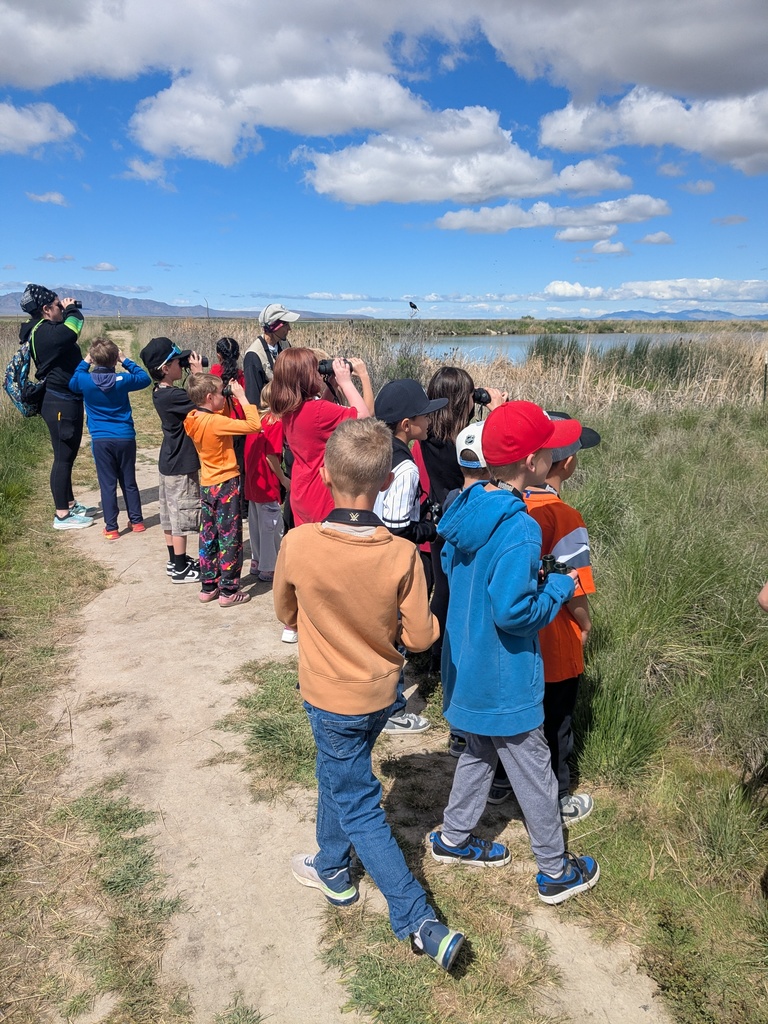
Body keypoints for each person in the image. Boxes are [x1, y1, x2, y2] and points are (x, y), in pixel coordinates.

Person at [273, 417, 465, 971]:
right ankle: (333, 865)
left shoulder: (300, 542)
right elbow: (423, 636)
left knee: (356, 799)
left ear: (324, 472)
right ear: (385, 484)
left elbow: (285, 611)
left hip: (327, 693)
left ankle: (416, 918)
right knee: (341, 768)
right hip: (380, 697)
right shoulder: (401, 555)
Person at [430, 401, 601, 906]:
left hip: (468, 663)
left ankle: (452, 837)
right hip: (505, 673)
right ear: (532, 462)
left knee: (480, 752)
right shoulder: (520, 527)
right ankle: (554, 870)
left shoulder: (466, 507)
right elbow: (513, 613)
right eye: (549, 448)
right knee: (534, 769)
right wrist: (557, 588)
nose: (555, 453)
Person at [489, 413, 601, 824]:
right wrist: (585, 623)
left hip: (513, 639)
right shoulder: (565, 516)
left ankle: (501, 783)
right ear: (567, 463)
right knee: (556, 723)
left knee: (517, 717)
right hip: (554, 638)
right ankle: (556, 797)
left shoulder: (507, 507)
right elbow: (575, 586)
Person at [417, 367, 506, 753]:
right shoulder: (467, 442)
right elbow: (500, 457)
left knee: (441, 593)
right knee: (462, 598)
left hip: (440, 524)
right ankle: (455, 662)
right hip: (471, 524)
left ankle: (434, 657)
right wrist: (497, 409)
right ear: (463, 400)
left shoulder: (429, 438)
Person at [372, 379, 448, 734]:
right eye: (424, 416)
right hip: (393, 561)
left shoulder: (377, 450)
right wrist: (433, 529)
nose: (429, 421)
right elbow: (399, 528)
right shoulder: (406, 468)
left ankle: (377, 700)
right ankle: (393, 710)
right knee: (396, 635)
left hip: (369, 553)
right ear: (407, 425)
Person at [270, 348, 373, 526]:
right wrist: (355, 379)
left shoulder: (289, 408)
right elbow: (364, 418)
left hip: (302, 490)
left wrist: (331, 386)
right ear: (305, 376)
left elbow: (317, 421)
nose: (318, 373)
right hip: (321, 494)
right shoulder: (318, 412)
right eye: (314, 369)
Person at [184, 373, 261, 606]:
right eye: (220, 393)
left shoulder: (192, 417)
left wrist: (225, 400)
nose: (223, 395)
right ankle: (229, 590)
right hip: (226, 483)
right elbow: (254, 425)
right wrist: (242, 397)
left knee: (208, 535)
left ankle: (208, 586)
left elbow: (218, 419)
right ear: (209, 396)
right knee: (230, 537)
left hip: (207, 483)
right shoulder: (216, 422)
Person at [19, 284, 92, 529]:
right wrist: (72, 309)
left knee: (67, 456)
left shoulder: (43, 330)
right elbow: (74, 328)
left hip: (64, 399)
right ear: (46, 309)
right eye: (58, 305)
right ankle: (62, 515)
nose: (62, 308)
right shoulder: (45, 333)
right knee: (62, 458)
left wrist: (67, 308)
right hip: (59, 401)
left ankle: (69, 503)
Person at [69, 339, 150, 538]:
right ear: (114, 360)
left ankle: (111, 527)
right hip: (124, 436)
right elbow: (144, 378)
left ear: (94, 360)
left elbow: (73, 383)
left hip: (100, 439)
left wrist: (86, 360)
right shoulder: (123, 380)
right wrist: (125, 360)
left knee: (107, 484)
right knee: (129, 481)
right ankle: (137, 521)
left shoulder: (84, 380)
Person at [139, 337, 203, 584]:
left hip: (169, 461)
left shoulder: (161, 392)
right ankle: (180, 568)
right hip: (181, 464)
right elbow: (203, 401)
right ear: (166, 368)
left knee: (168, 513)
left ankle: (175, 560)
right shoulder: (174, 396)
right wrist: (197, 376)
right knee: (181, 515)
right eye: (179, 361)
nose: (183, 364)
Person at [243, 381, 289, 584]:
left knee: (255, 523)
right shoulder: (275, 423)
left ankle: (257, 560)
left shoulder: (256, 420)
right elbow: (272, 456)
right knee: (271, 525)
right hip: (267, 483)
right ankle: (269, 567)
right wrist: (283, 479)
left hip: (253, 482)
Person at [243, 304, 299, 406]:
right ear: (274, 327)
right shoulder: (254, 356)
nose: (289, 329)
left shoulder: (285, 345)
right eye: (285, 324)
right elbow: (253, 400)